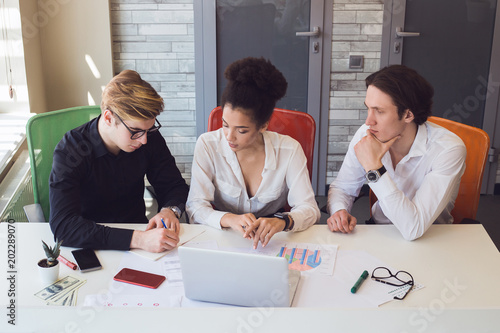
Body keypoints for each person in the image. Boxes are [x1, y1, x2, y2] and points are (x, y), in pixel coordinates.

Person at [186, 57, 320, 248]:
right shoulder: (207, 145)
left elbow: (310, 209)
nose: (229, 137)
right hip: (225, 236)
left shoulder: (289, 150)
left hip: (273, 239)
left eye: (241, 130)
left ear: (263, 126)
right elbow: (195, 206)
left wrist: (284, 221)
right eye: (225, 125)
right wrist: (228, 219)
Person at [49, 70, 189, 252]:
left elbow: (174, 186)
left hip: (138, 237)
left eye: (149, 129)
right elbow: (63, 226)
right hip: (89, 243)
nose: (144, 140)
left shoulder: (148, 136)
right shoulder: (71, 149)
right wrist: (138, 239)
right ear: (108, 118)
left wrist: (169, 210)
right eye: (135, 131)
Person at [327, 65, 466, 241]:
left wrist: (374, 168)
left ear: (408, 115)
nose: (368, 121)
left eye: (379, 111)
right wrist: (340, 210)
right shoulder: (366, 134)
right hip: (381, 233)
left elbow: (413, 228)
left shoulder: (448, 149)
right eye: (368, 108)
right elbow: (342, 187)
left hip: (431, 238)